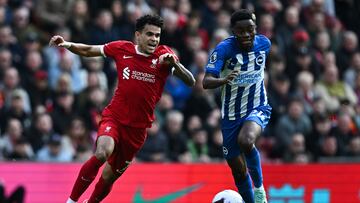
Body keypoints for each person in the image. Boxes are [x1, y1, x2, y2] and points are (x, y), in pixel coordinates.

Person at [49, 14, 195, 203]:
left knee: (109, 177)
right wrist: (67, 44)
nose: (154, 39)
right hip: (115, 118)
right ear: (138, 35)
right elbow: (88, 50)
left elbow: (190, 81)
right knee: (102, 153)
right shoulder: (121, 49)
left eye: (157, 35)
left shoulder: (164, 56)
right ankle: (71, 200)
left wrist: (175, 65)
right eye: (149, 34)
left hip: (137, 130)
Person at [202, 9, 271, 203]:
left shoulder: (264, 44)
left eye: (250, 29)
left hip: (258, 106)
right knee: (238, 170)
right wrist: (224, 80)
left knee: (246, 140)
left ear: (255, 28)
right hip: (231, 115)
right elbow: (206, 82)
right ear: (233, 31)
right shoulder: (224, 49)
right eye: (241, 31)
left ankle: (259, 190)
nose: (247, 34)